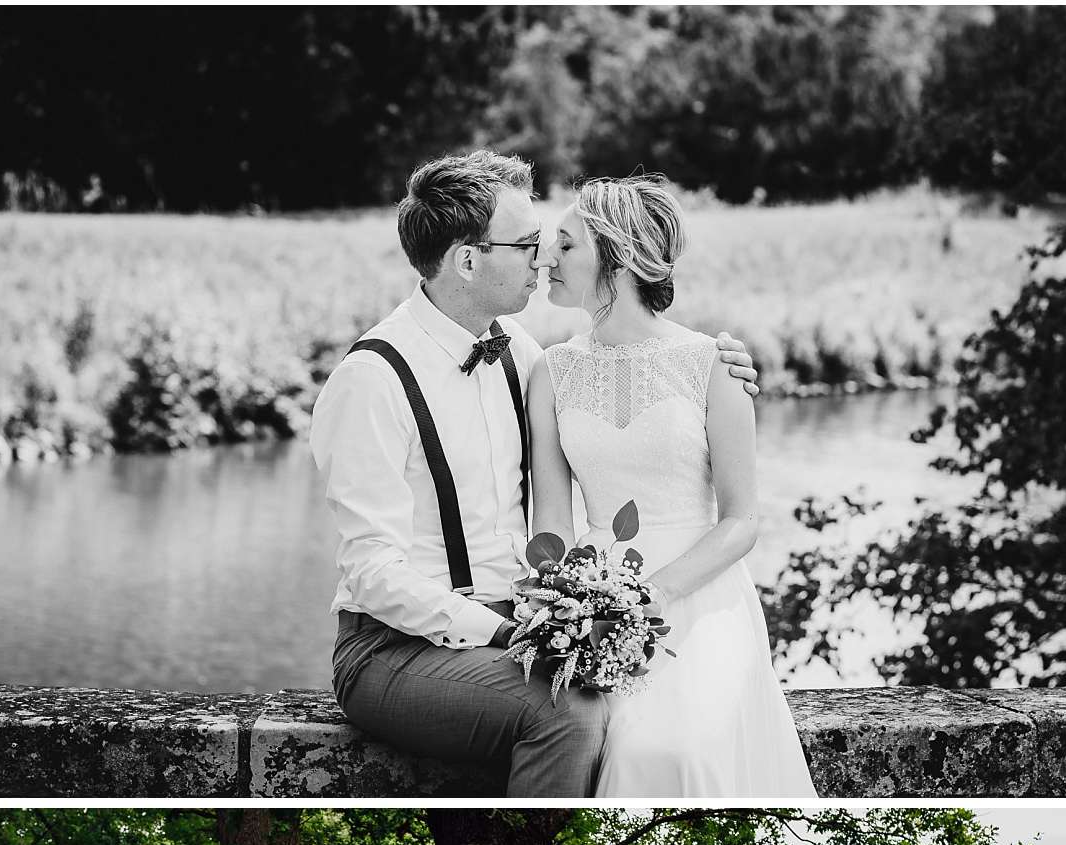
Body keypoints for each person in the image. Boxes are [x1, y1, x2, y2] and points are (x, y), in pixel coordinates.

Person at [310, 149, 758, 797]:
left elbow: (634, 355)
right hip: (392, 650)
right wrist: (508, 631)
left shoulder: (523, 355)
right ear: (468, 260)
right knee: (570, 714)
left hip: (514, 632)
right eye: (526, 243)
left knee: (628, 710)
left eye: (550, 242)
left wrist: (724, 368)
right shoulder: (371, 381)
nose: (542, 256)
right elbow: (372, 575)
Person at [531, 175, 817, 798]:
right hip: (594, 605)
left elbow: (742, 520)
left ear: (620, 254)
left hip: (701, 593)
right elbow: (550, 523)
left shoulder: (713, 363)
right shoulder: (550, 373)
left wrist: (654, 595)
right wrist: (556, 610)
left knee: (673, 750)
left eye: (566, 245)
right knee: (596, 739)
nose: (545, 258)